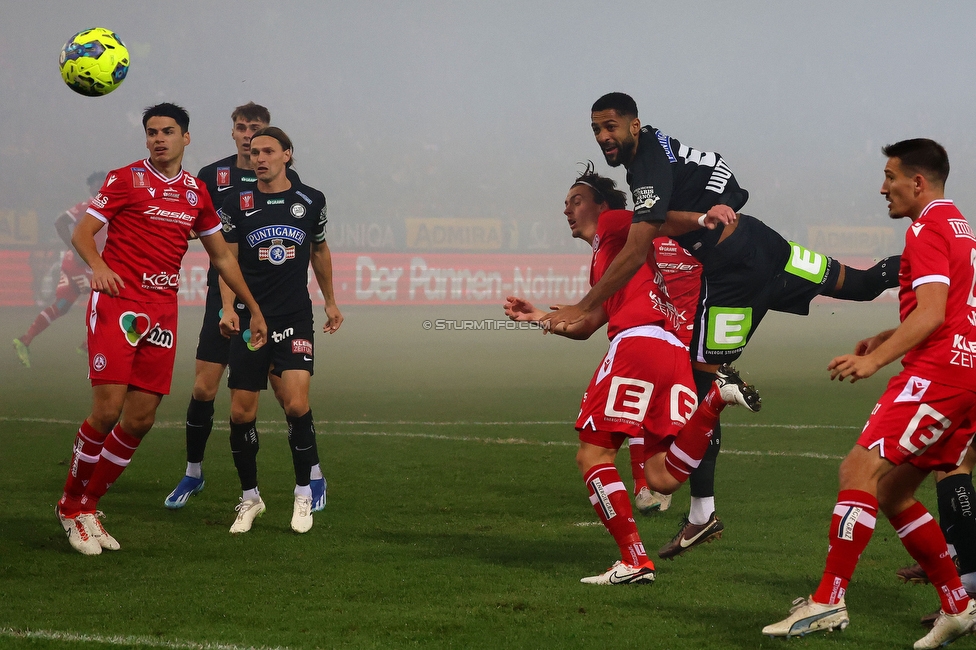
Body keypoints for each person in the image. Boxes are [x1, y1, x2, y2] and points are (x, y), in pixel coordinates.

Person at [544, 92, 901, 560]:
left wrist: (583, 303)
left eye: (610, 127)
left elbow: (635, 251)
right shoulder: (668, 148)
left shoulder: (647, 165)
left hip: (734, 278)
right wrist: (711, 210)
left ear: (634, 125)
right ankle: (955, 267)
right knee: (863, 283)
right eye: (597, 130)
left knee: (702, 387)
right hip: (765, 244)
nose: (603, 137)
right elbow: (725, 179)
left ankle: (701, 516)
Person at [763, 139, 976, 649]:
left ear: (917, 183)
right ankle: (958, 606)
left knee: (858, 471)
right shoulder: (960, 226)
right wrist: (888, 336)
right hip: (966, 372)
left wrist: (874, 360)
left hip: (938, 374)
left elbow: (930, 313)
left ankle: (829, 600)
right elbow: (949, 307)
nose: (883, 188)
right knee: (893, 492)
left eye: (890, 177)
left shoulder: (926, 228)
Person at [504, 166, 760, 584]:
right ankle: (715, 399)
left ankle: (634, 559)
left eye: (576, 200)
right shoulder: (616, 262)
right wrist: (537, 317)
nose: (567, 210)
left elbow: (656, 217)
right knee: (662, 477)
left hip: (638, 345)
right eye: (565, 204)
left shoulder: (614, 222)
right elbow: (587, 325)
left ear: (602, 206)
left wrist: (701, 218)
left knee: (593, 456)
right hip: (672, 352)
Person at [54, 103, 267, 556]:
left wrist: (252, 307)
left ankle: (90, 504)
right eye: (151, 132)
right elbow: (82, 232)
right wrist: (98, 267)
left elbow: (223, 257)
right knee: (108, 410)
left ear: (186, 138)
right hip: (118, 305)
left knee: (141, 418)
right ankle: (70, 505)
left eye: (168, 131)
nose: (158, 139)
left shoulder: (195, 192)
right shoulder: (124, 179)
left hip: (162, 311)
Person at [162, 103, 326, 512]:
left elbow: (305, 235)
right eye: (242, 129)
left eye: (257, 131)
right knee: (203, 387)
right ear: (233, 133)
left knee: (288, 394)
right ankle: (193, 472)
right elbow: (191, 226)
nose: (250, 138)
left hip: (273, 307)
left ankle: (312, 474)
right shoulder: (211, 177)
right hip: (224, 297)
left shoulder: (292, 186)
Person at [218, 126, 342, 535]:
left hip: (294, 317)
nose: (260, 158)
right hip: (252, 320)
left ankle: (304, 493)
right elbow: (227, 261)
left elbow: (319, 250)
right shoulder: (237, 202)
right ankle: (250, 497)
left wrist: (330, 300)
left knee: (295, 403)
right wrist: (228, 308)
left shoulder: (310, 200)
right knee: (241, 412)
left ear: (288, 154)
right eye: (254, 153)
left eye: (268, 151)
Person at [13, 171, 107, 366]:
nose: (99, 189)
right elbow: (60, 222)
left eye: (102, 185)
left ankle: (25, 340)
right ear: (90, 188)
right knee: (109, 299)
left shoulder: (107, 209)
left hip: (77, 264)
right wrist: (75, 248)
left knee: (62, 305)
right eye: (96, 186)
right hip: (81, 265)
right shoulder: (87, 207)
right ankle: (88, 346)